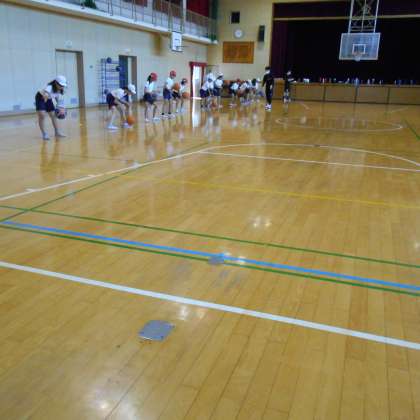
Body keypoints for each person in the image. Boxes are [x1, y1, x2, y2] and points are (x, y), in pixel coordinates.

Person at [35, 75, 67, 140]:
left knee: (53, 115)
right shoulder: (49, 87)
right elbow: (46, 95)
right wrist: (45, 98)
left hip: (48, 99)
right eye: (60, 85)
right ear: (56, 83)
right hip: (40, 97)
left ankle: (57, 132)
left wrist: (61, 108)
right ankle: (44, 134)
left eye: (63, 85)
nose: (62, 87)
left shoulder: (60, 89)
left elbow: (58, 99)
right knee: (42, 115)